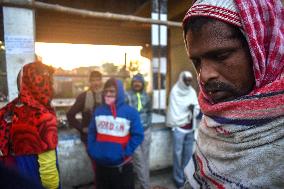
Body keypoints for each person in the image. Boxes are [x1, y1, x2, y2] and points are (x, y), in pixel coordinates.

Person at [182, 0, 284, 188]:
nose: (204, 75)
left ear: (260, 48)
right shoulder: (213, 120)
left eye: (220, 56)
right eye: (197, 61)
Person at [0, 61, 60, 188]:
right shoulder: (43, 117)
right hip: (34, 179)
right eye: (49, 82)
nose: (52, 86)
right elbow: (48, 172)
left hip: (13, 178)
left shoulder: (8, 110)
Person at [88, 78, 144, 189]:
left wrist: (125, 152)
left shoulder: (130, 112)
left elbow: (138, 135)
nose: (108, 94)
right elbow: (91, 132)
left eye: (112, 91)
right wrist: (93, 150)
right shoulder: (98, 111)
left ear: (119, 93)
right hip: (101, 166)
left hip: (122, 166)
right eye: (106, 91)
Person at [166, 71, 199, 189]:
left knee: (188, 155)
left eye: (190, 80)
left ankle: (187, 178)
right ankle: (177, 178)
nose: (188, 83)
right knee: (177, 155)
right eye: (186, 80)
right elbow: (174, 110)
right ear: (182, 79)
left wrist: (193, 108)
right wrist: (187, 109)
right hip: (178, 128)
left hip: (190, 128)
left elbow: (196, 107)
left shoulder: (192, 92)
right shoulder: (175, 91)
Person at [125, 73, 152, 189]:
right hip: (133, 134)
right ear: (132, 83)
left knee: (145, 160)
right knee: (139, 162)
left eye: (139, 82)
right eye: (135, 81)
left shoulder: (147, 96)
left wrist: (148, 125)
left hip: (146, 131)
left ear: (142, 84)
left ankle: (142, 185)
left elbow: (149, 111)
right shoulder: (127, 96)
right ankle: (146, 186)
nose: (137, 84)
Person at [67, 70, 103, 145]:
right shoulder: (83, 97)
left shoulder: (106, 96)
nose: (96, 83)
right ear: (89, 82)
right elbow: (70, 115)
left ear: (101, 81)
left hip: (104, 135)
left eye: (98, 80)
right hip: (88, 137)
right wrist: (81, 128)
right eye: (93, 80)